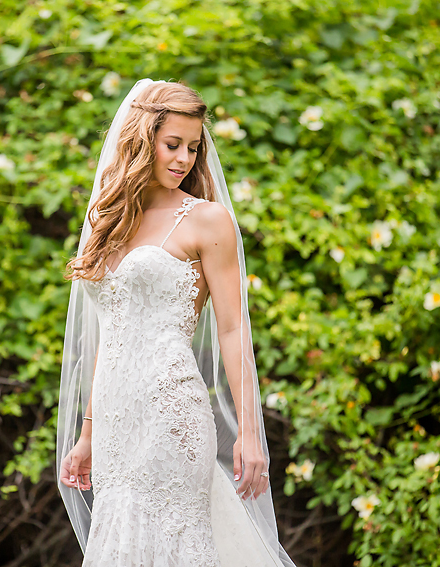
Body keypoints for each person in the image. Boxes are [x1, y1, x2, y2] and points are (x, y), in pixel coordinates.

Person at [56, 78, 296, 567]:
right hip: (116, 423)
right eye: (173, 144)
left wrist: (250, 433)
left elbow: (233, 329)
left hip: (172, 413)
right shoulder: (112, 217)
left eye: (193, 147)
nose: (184, 158)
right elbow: (112, 330)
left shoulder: (207, 221)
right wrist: (87, 434)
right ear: (143, 140)